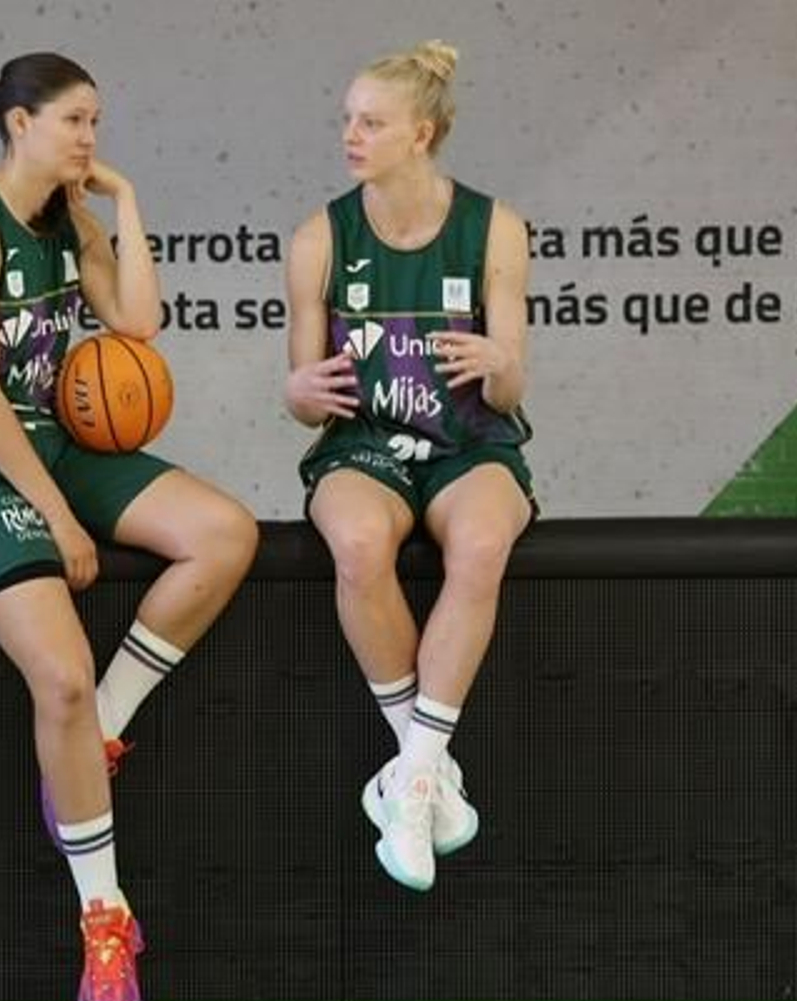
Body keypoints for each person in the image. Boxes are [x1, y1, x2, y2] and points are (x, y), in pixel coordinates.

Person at [0, 52, 257, 1001]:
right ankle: (105, 918)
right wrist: (55, 514)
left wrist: (124, 202)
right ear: (18, 123)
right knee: (52, 672)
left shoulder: (69, 219)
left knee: (222, 534)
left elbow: (138, 322)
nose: (89, 139)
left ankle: (106, 721)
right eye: (73, 122)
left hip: (54, 440)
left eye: (97, 122)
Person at [283, 40, 534, 893]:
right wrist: (302, 388)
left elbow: (510, 386)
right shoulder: (320, 235)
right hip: (364, 443)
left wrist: (495, 361)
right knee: (356, 543)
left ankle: (413, 773)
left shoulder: (494, 226)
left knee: (486, 542)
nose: (351, 135)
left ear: (421, 133)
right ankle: (426, 775)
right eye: (347, 120)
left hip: (468, 440)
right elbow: (301, 391)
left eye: (372, 122)